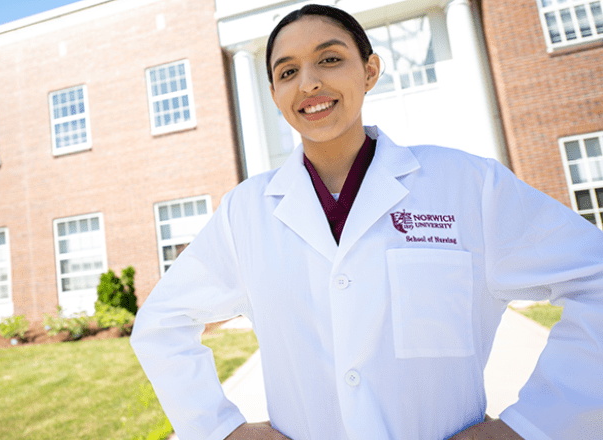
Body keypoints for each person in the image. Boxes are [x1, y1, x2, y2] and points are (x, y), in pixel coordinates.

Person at [130, 4, 603, 440]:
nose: (309, 82)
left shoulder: (468, 185)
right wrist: (220, 430)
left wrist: (535, 424)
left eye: (330, 59)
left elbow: (595, 276)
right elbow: (160, 324)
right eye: (288, 71)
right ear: (274, 94)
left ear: (370, 70)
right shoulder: (246, 212)